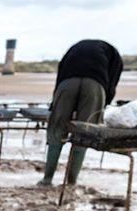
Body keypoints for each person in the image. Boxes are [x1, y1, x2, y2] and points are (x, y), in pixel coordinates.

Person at [38, 40, 123, 187]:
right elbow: (111, 83)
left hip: (67, 83)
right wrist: (103, 104)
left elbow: (61, 71)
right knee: (84, 133)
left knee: (56, 131)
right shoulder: (114, 56)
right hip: (95, 85)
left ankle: (47, 179)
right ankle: (71, 182)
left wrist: (56, 102)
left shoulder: (74, 49)